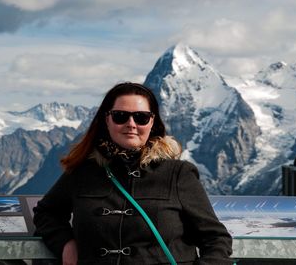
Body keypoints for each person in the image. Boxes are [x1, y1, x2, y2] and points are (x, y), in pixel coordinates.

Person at [33, 82, 233, 264]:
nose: (131, 124)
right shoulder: (83, 172)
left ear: (152, 122)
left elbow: (216, 238)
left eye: (141, 117)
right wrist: (66, 244)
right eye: (121, 116)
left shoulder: (178, 174)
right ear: (107, 120)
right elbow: (46, 213)